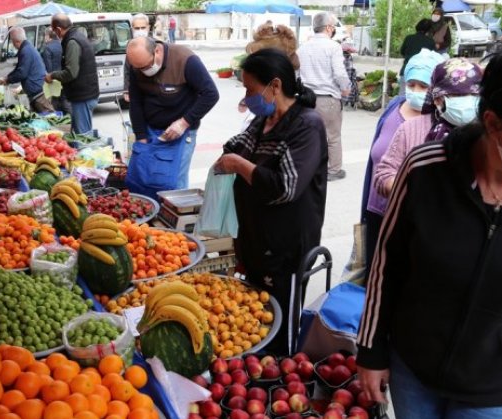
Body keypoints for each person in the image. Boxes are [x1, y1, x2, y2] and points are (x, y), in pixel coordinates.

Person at [357, 47, 502, 419]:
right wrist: (371, 353)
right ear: (493, 122)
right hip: (416, 372)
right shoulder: (426, 169)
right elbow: (386, 264)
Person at [215, 48, 327, 355]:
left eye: (250, 89)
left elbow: (285, 187)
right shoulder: (262, 121)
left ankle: (278, 375)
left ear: (274, 86)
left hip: (285, 249)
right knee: (253, 324)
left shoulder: (306, 125)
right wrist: (229, 159)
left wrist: (238, 165)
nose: (247, 96)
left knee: (278, 331)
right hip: (254, 242)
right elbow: (237, 146)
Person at [360, 49, 442, 271]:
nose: (415, 91)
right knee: (372, 274)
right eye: (411, 84)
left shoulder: (441, 123)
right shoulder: (394, 106)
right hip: (376, 210)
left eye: (424, 86)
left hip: (409, 221)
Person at [373, 57, 483, 199]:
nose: (465, 100)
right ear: (437, 99)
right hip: (418, 217)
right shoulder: (410, 129)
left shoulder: (489, 133)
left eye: (471, 95)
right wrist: (418, 192)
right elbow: (384, 175)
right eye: (455, 95)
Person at [125, 37, 219, 193]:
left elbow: (211, 94)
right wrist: (141, 135)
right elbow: (135, 102)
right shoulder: (136, 65)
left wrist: (184, 122)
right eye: (138, 68)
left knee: (174, 186)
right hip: (150, 130)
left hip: (181, 134)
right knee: (142, 180)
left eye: (146, 66)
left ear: (157, 51)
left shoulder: (185, 59)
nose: (143, 71)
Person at [297, 12, 351, 181]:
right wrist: (346, 88)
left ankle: (309, 168)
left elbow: (296, 74)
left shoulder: (302, 48)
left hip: (306, 99)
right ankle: (334, 170)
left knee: (308, 135)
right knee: (332, 136)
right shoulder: (333, 46)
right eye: (333, 26)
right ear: (328, 27)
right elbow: (339, 73)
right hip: (327, 99)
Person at [46, 14, 100, 135]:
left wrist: (52, 75)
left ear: (59, 29)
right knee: (78, 133)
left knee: (83, 136)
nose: (55, 34)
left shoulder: (72, 42)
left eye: (54, 30)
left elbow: (71, 73)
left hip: (83, 96)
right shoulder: (78, 36)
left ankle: (88, 153)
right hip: (85, 93)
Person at [0, 27, 54, 114]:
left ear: (16, 41)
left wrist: (8, 80)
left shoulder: (26, 50)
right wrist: (7, 77)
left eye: (12, 42)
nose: (12, 44)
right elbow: (19, 68)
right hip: (37, 91)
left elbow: (22, 73)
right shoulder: (27, 48)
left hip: (39, 94)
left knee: (48, 120)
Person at [398, 19, 436, 94]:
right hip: (422, 74)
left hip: (406, 70)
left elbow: (402, 52)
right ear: (429, 30)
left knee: (402, 97)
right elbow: (433, 58)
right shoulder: (430, 41)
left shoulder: (409, 38)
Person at [123, 13, 152, 104]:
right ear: (132, 29)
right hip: (137, 90)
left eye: (143, 28)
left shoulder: (157, 45)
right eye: (137, 28)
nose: (140, 31)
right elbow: (127, 69)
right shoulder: (130, 45)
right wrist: (126, 89)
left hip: (153, 90)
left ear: (148, 28)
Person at [41, 29, 69, 114]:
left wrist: (49, 77)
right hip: (64, 77)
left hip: (53, 79)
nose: (44, 38)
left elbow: (48, 67)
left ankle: (60, 121)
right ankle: (71, 119)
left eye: (45, 36)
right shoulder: (62, 45)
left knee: (55, 101)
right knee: (64, 100)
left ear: (48, 37)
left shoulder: (47, 48)